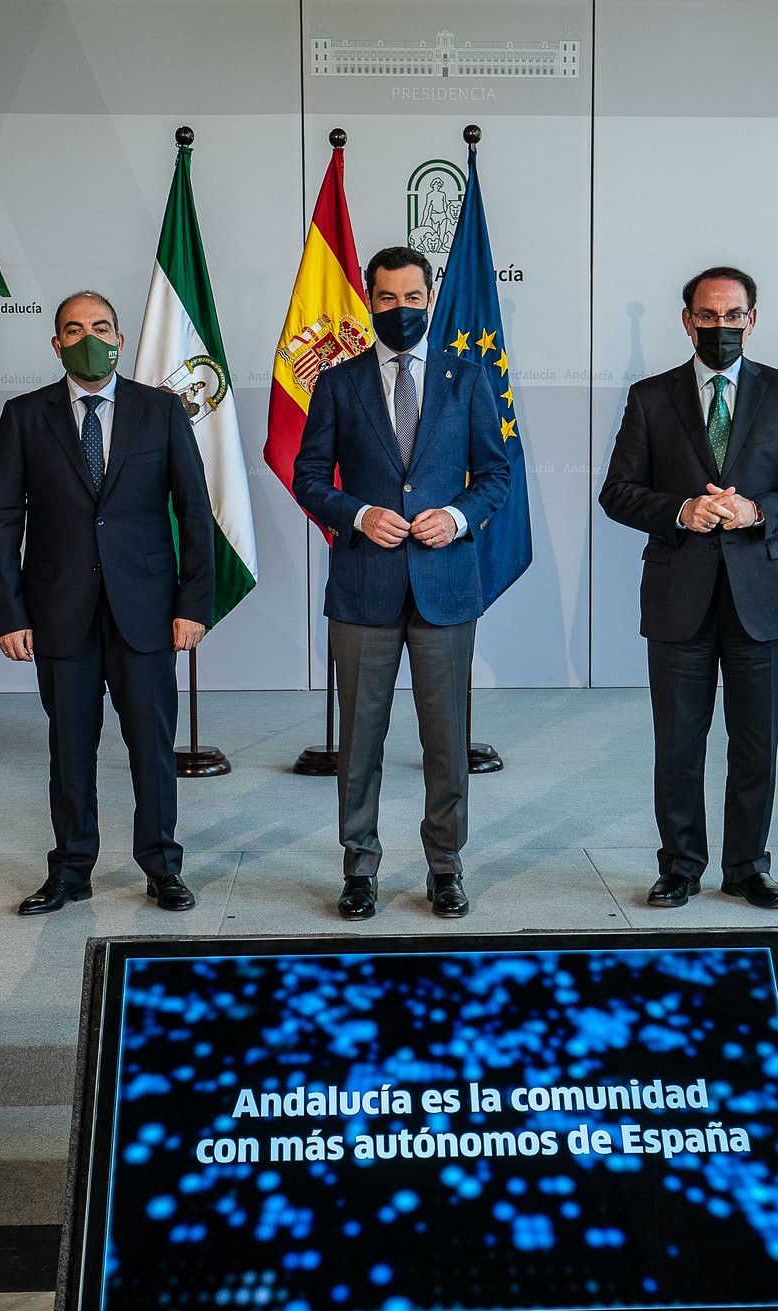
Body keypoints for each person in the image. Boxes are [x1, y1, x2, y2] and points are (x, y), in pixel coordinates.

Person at [598, 266, 778, 910]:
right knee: (678, 742)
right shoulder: (651, 397)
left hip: (762, 597)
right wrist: (680, 511)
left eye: (734, 316)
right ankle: (679, 865)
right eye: (708, 315)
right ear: (688, 319)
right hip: (680, 597)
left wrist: (757, 512)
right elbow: (616, 492)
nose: (721, 327)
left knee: (755, 741)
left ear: (752, 321)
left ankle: (747, 867)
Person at [292, 245, 511, 922]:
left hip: (445, 588)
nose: (402, 310)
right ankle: (359, 870)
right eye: (387, 299)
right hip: (364, 588)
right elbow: (308, 476)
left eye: (413, 298)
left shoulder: (467, 377)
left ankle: (445, 868)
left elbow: (496, 476)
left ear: (430, 298)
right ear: (370, 299)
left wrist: (454, 515)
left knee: (446, 742)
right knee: (360, 741)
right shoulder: (337, 382)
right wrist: (357, 513)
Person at [0, 290, 214, 916]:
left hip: (146, 610)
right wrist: (9, 613)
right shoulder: (24, 416)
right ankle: (71, 870)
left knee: (152, 746)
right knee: (71, 749)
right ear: (56, 344)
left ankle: (162, 866)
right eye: (74, 328)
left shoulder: (162, 411)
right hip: (59, 611)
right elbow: (2, 520)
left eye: (101, 326)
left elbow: (196, 513)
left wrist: (194, 603)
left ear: (120, 337)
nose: (89, 337)